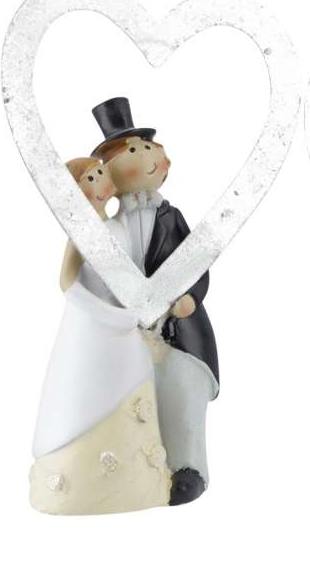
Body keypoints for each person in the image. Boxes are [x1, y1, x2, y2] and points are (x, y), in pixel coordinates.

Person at [92, 96, 219, 506]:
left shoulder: (171, 218)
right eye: (133, 152)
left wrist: (190, 297)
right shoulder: (110, 230)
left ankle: (189, 469)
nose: (148, 157)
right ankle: (139, 469)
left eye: (150, 148)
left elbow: (196, 261)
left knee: (181, 397)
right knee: (136, 403)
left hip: (179, 331)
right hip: (129, 334)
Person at [30, 157, 170, 515]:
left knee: (131, 379)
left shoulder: (118, 226)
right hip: (92, 326)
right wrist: (104, 315)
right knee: (88, 390)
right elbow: (66, 281)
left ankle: (138, 484)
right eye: (91, 178)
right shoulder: (81, 232)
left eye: (102, 173)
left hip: (126, 326)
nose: (102, 181)